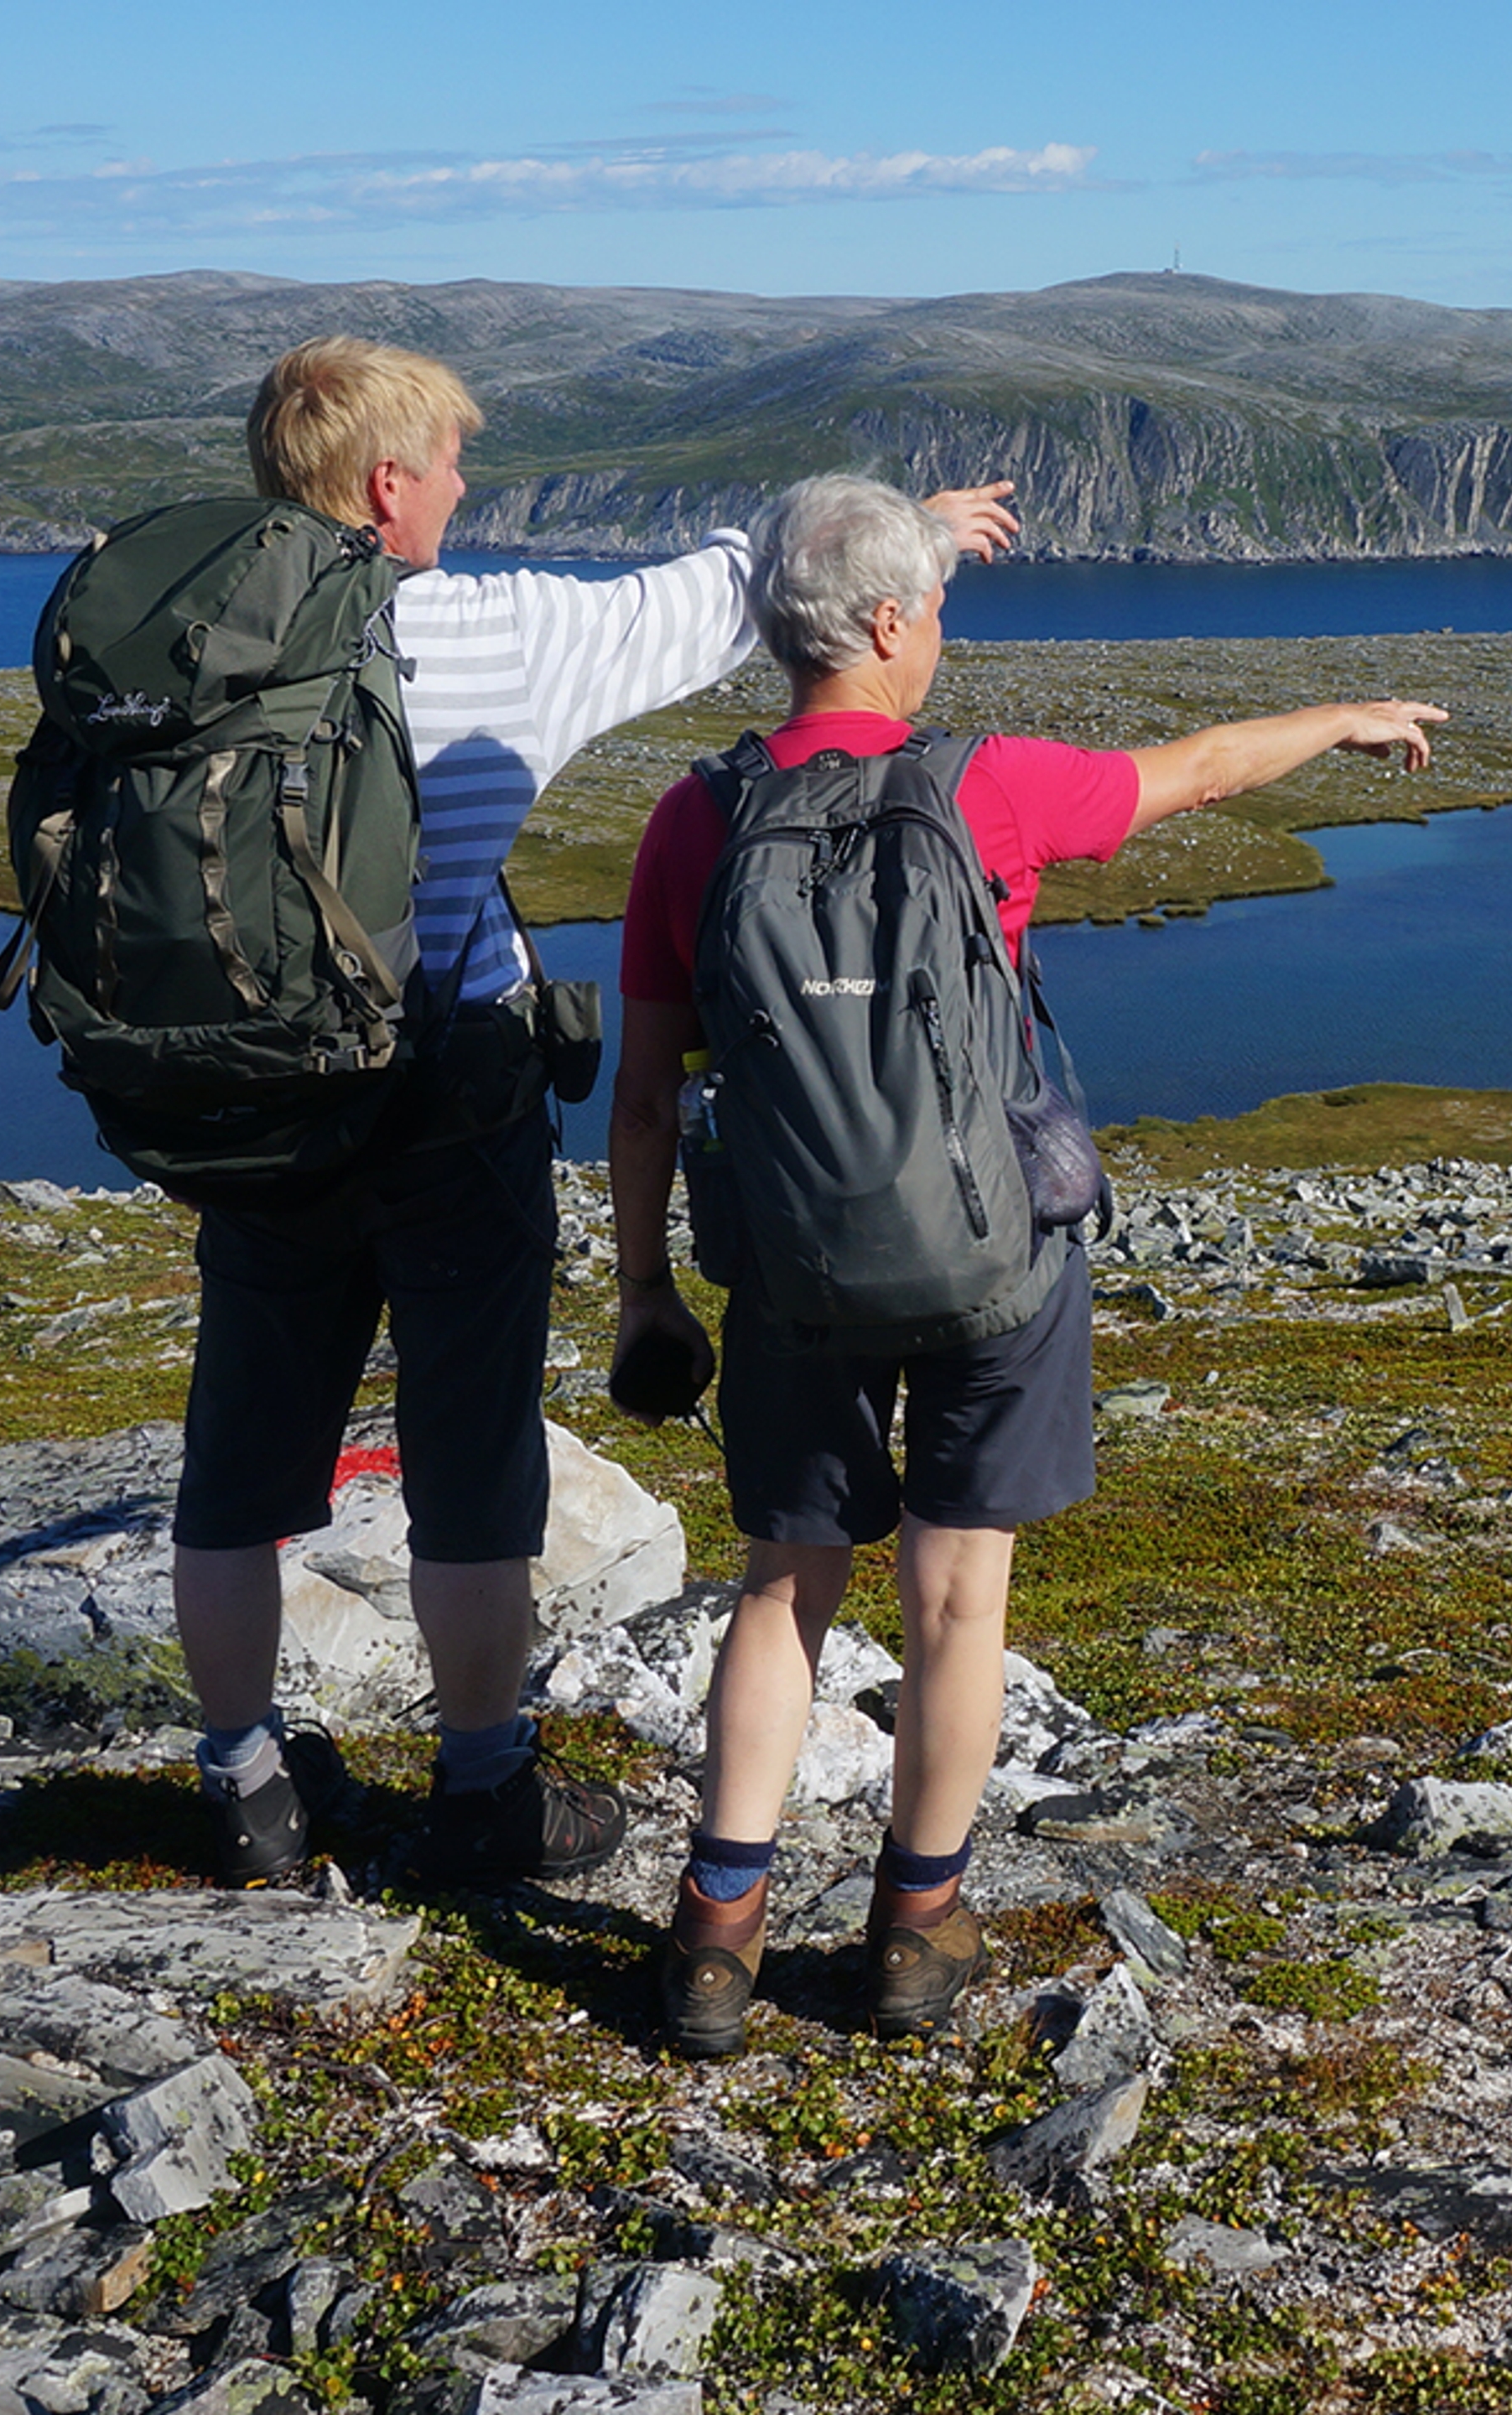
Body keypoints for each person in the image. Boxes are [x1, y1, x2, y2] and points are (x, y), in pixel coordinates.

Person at [611, 472, 1443, 2050]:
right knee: (956, 1599)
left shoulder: (695, 819)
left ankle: (716, 1944)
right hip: (995, 1261)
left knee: (784, 1590)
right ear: (882, 623)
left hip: (788, 1271)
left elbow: (648, 1091)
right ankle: (916, 1932)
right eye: (926, 607)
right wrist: (1341, 717)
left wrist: (651, 1290)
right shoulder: (989, 789)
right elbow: (1191, 773)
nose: (939, 633)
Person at [179, 338, 1016, 1891]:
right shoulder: (494, 637)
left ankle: (241, 1783)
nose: (464, 487)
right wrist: (909, 527)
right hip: (448, 1093)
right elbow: (728, 587)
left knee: (237, 1458)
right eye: (449, 463)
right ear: (385, 487)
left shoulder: (182, 638)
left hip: (254, 1100)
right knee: (472, 1454)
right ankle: (484, 1788)